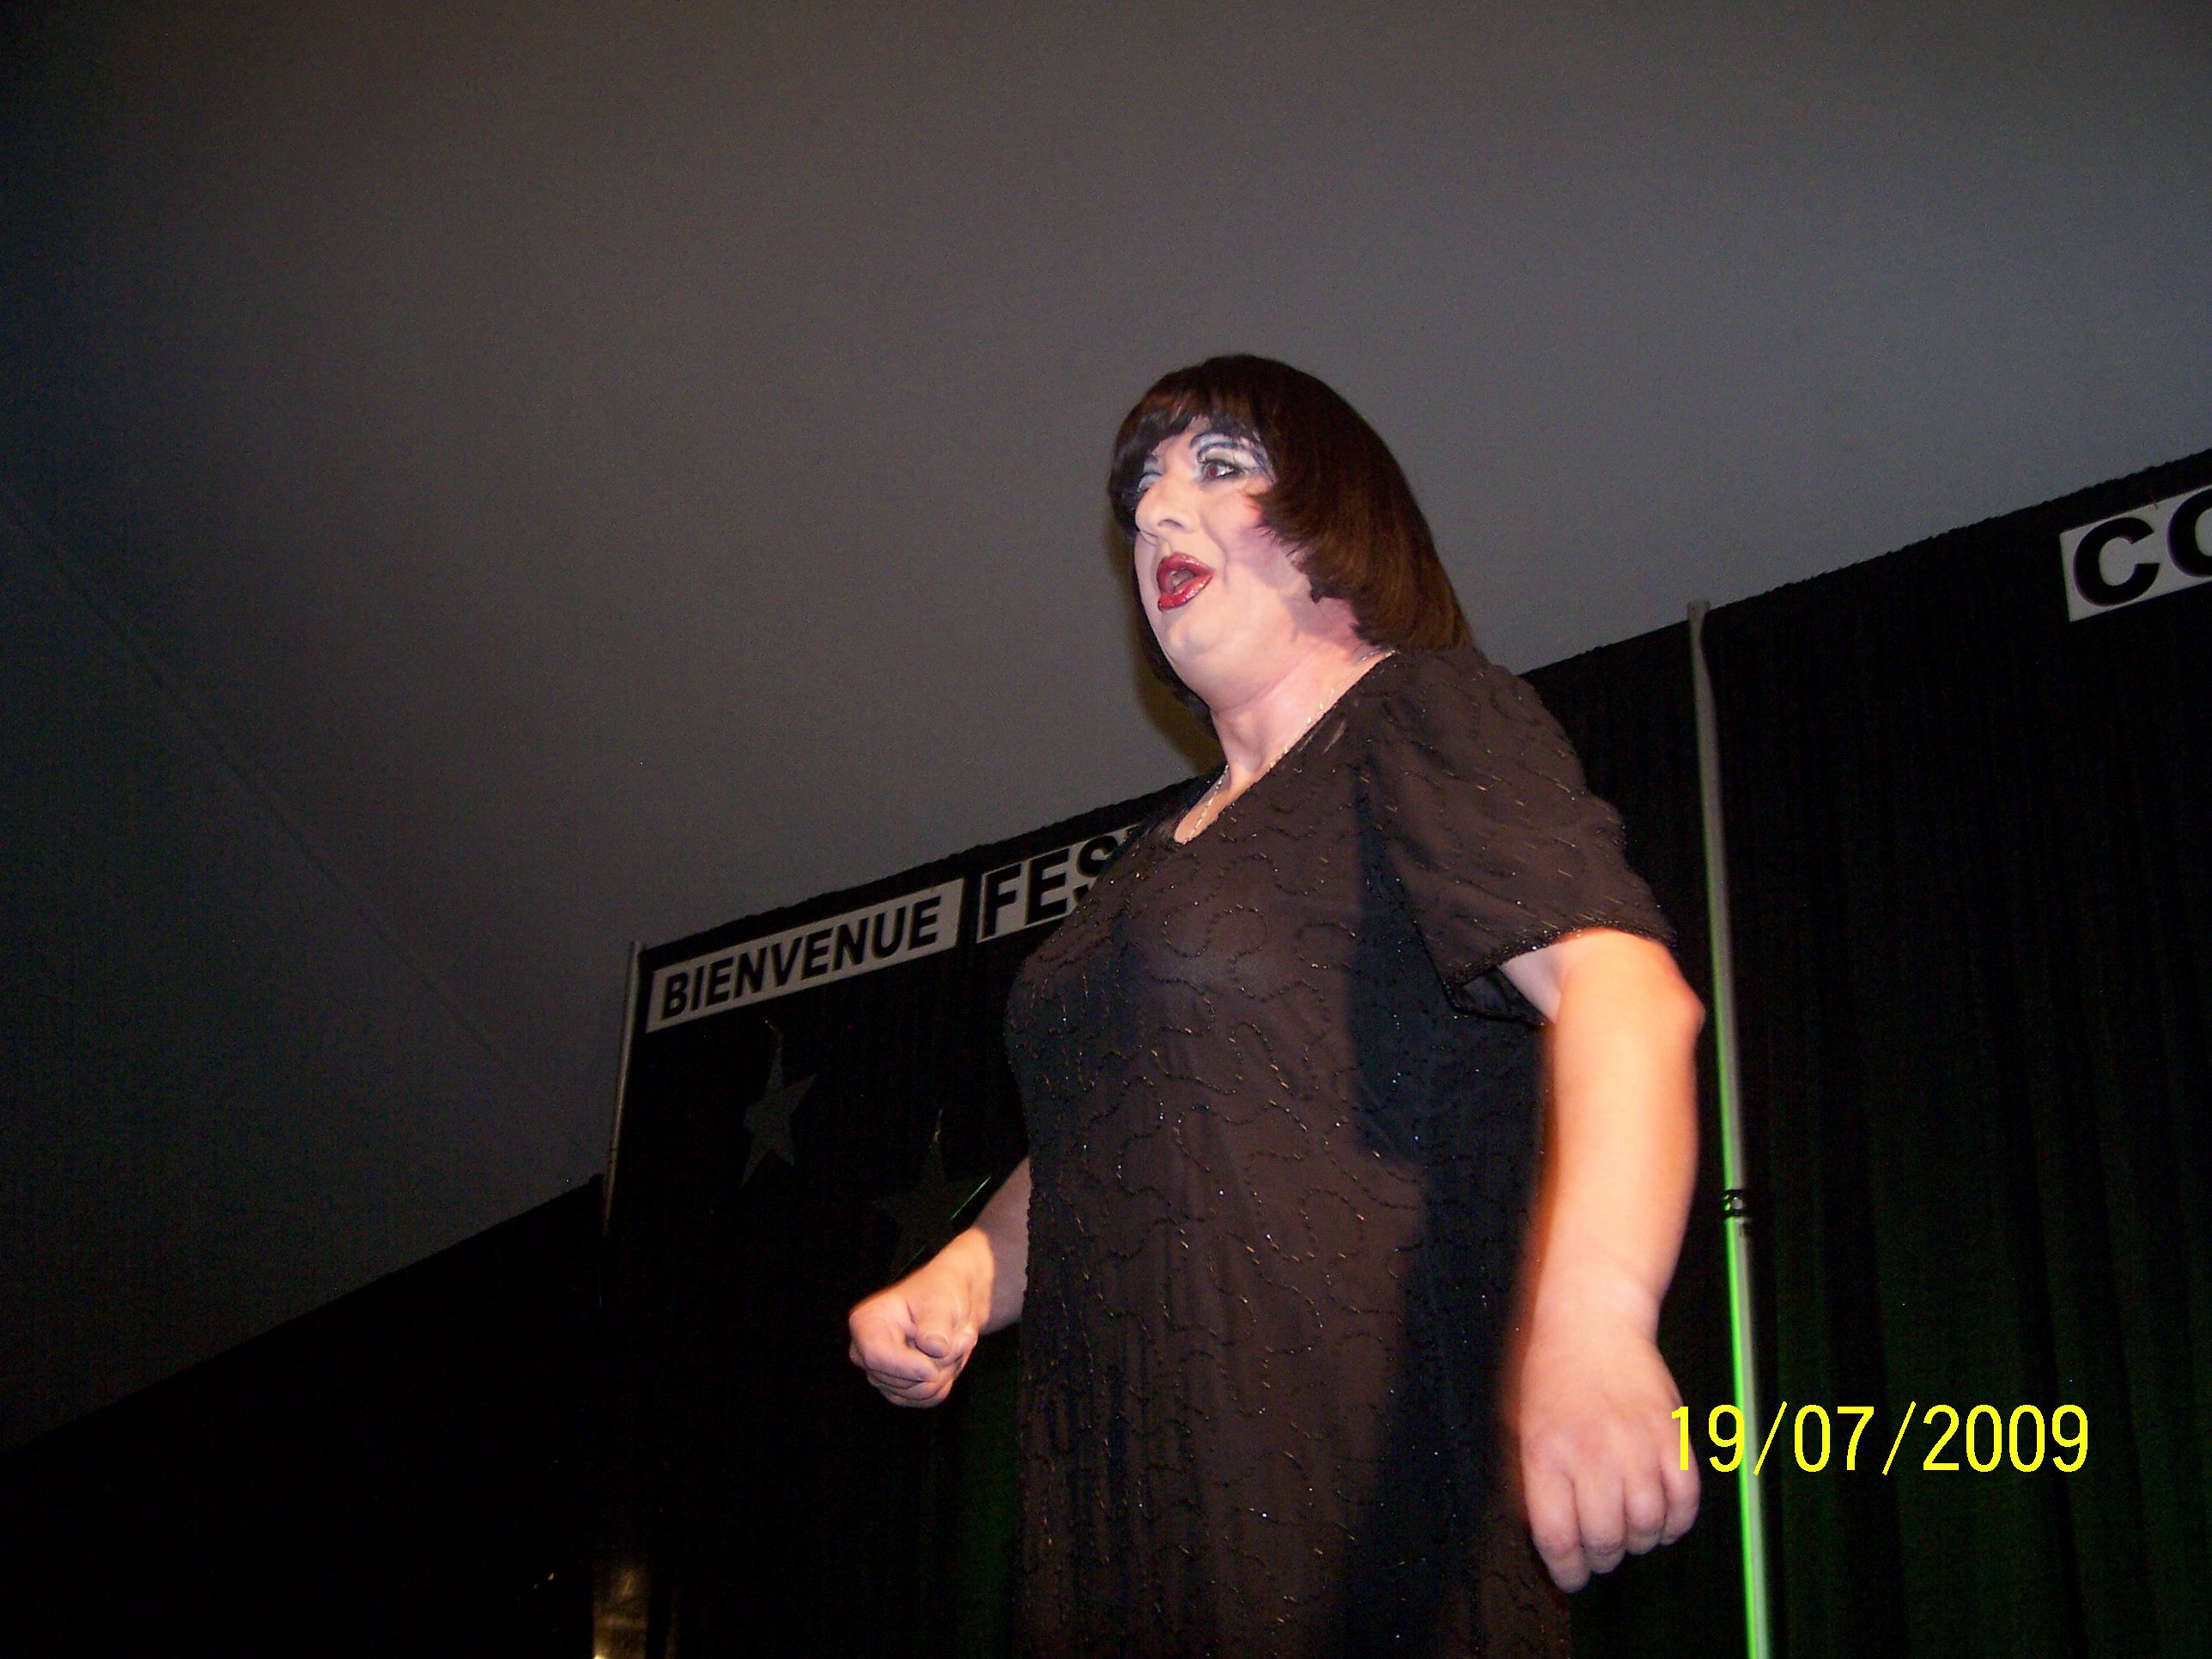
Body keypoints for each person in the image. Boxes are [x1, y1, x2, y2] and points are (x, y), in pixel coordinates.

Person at [848, 356, 1703, 1656]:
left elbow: (1622, 991)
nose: (1155, 514)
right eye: (1141, 491)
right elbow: (1114, 1131)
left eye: (1218, 467)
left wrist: (1597, 1322)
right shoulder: (1148, 866)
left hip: (1352, 1518)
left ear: (1337, 513)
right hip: (1121, 1535)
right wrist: (967, 1270)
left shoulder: (1415, 712)